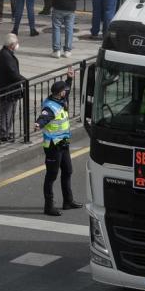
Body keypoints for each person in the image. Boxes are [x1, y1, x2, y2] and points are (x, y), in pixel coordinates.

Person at [36, 75, 82, 216]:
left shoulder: (60, 99)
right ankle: (48, 206)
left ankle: (68, 201)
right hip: (53, 146)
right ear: (59, 92)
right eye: (64, 90)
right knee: (52, 176)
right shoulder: (50, 107)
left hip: (63, 143)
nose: (66, 92)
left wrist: (69, 79)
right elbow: (44, 117)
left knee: (67, 171)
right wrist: (39, 123)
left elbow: (66, 90)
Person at [0, 33, 24, 142]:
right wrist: (23, 80)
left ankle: (7, 131)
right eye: (16, 43)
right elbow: (12, 72)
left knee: (11, 111)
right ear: (11, 44)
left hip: (12, 89)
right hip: (7, 89)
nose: (17, 45)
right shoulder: (4, 55)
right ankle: (3, 133)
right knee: (6, 112)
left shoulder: (7, 53)